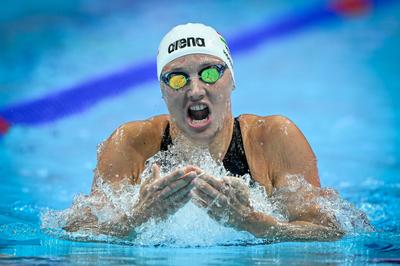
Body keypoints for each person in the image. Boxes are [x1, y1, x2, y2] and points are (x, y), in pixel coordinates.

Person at [64, 23, 344, 241]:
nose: (195, 90)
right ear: (162, 90)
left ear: (231, 79)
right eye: (177, 78)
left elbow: (330, 231)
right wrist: (138, 217)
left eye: (210, 73)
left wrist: (251, 221)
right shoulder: (130, 144)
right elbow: (76, 232)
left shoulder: (273, 138)